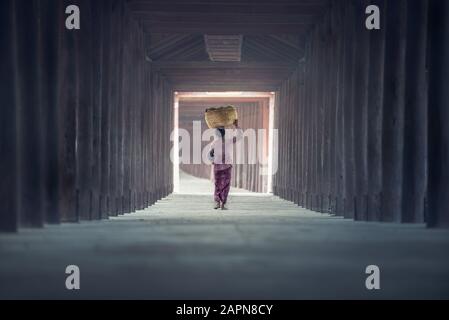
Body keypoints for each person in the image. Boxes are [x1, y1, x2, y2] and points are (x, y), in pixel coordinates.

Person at [208, 119, 242, 210]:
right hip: (227, 166)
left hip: (217, 166)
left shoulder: (214, 144)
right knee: (226, 185)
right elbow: (239, 136)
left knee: (217, 184)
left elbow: (210, 156)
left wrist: (212, 160)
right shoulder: (229, 141)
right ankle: (223, 203)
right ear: (224, 133)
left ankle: (217, 202)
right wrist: (236, 126)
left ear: (216, 134)